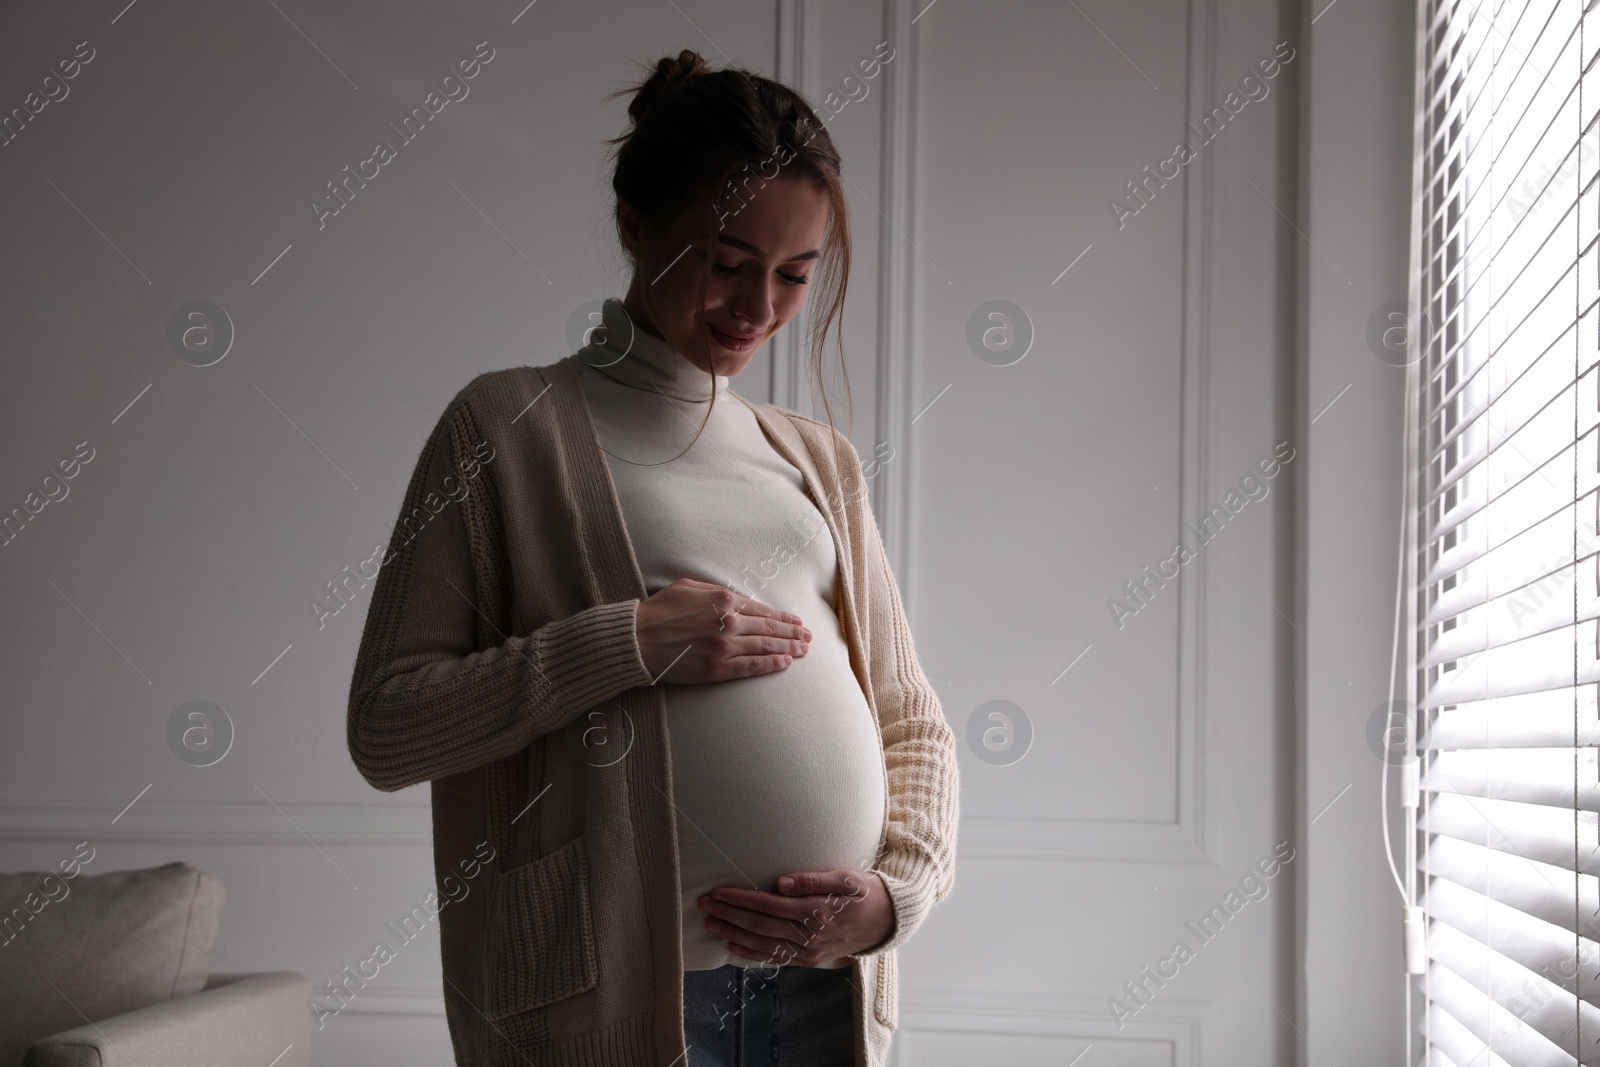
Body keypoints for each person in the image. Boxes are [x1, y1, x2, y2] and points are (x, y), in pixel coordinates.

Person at [346, 48, 958, 1067]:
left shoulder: (817, 461)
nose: (758, 305)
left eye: (796, 274)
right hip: (616, 994)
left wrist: (896, 896)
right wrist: (626, 641)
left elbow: (912, 723)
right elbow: (390, 724)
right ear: (634, 225)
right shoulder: (505, 428)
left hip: (824, 987)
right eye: (726, 261)